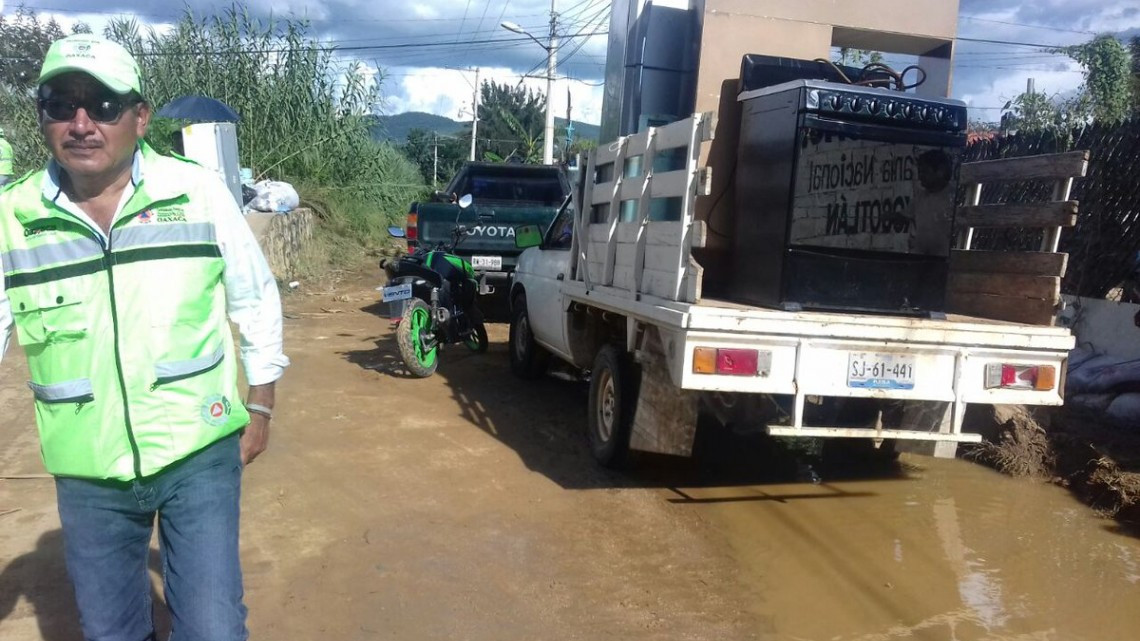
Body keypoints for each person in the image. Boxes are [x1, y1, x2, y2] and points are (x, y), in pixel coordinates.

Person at [0, 35, 288, 641]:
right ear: (41, 117)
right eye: (61, 103)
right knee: (111, 632)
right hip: (88, 468)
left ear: (140, 116)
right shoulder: (12, 216)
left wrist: (259, 405)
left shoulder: (199, 192)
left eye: (103, 105)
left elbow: (254, 297)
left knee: (212, 628)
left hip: (198, 449)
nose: (81, 123)